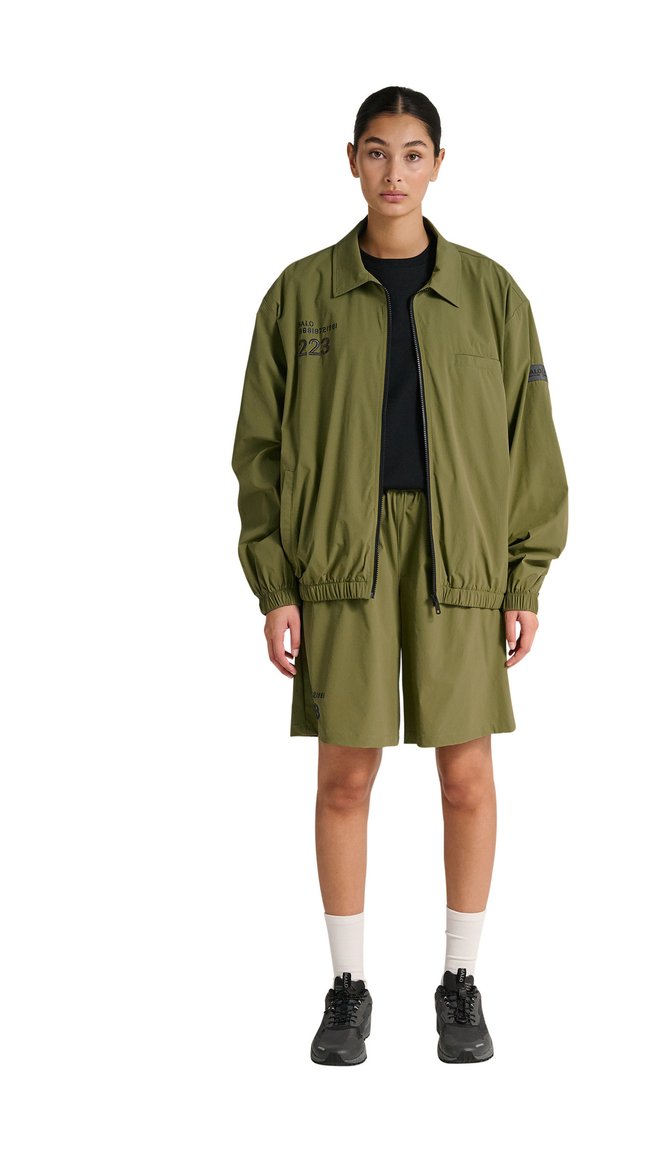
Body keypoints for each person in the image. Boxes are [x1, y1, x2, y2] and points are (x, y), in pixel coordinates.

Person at [231, 86, 568, 1065]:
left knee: (465, 775)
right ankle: (347, 989)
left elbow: (530, 443)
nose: (393, 173)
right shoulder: (299, 296)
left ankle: (460, 982)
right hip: (340, 558)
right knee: (345, 775)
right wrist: (275, 584)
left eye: (412, 153)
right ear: (351, 160)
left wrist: (523, 576)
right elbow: (260, 450)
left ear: (437, 164)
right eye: (376, 152)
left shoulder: (491, 295)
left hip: (457, 556)